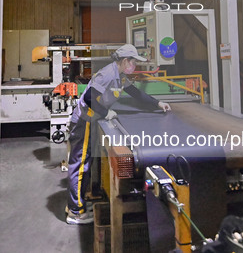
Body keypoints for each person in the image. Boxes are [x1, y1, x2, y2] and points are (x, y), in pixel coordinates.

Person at [66, 44, 171, 225]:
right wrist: (106, 113)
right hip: (85, 121)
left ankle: (78, 203)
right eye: (134, 62)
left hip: (91, 120)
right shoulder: (107, 74)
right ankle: (75, 212)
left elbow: (135, 93)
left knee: (85, 164)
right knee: (80, 165)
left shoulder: (120, 76)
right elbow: (89, 97)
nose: (135, 66)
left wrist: (158, 103)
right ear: (125, 61)